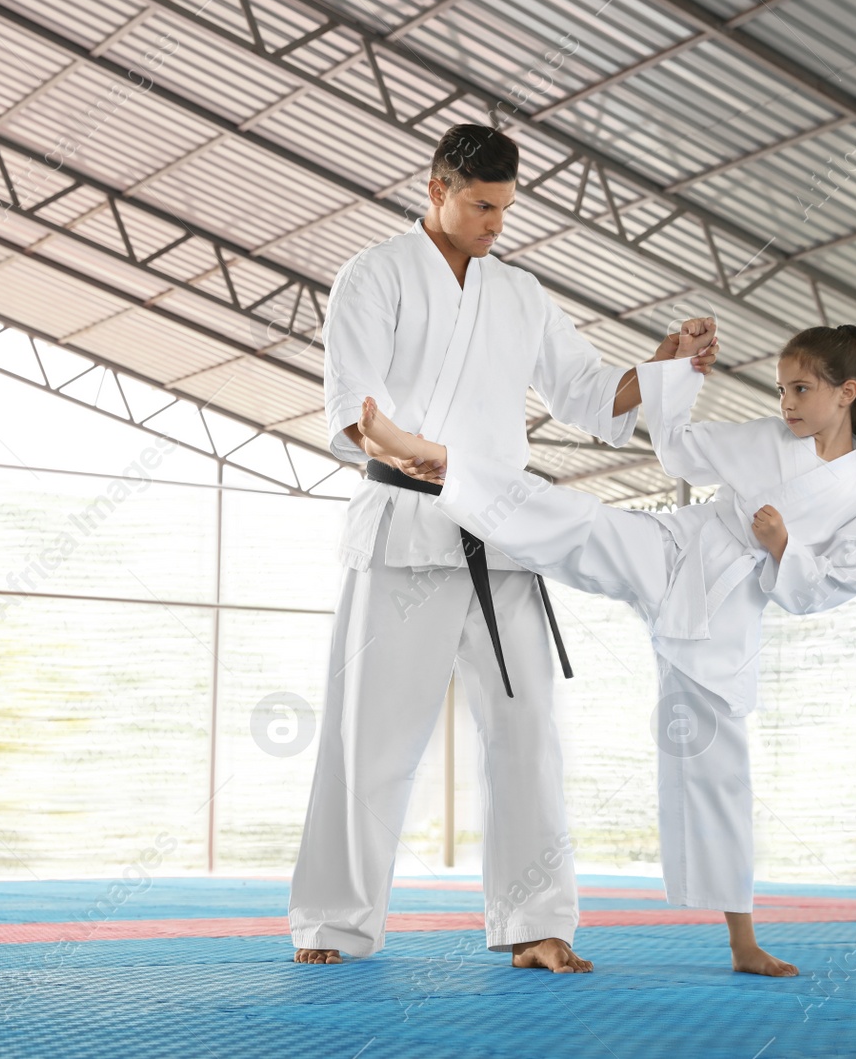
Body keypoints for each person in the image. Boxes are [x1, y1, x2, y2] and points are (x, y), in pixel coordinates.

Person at [288, 121, 721, 972]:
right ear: (436, 189)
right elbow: (355, 411)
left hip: (503, 535)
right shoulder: (372, 276)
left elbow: (593, 399)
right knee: (370, 739)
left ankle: (537, 923)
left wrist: (663, 363)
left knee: (528, 732)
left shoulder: (519, 292)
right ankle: (334, 923)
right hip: (406, 530)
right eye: (482, 206)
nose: (496, 223)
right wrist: (398, 444)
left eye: (506, 208)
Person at [350, 323, 856, 976]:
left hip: (727, 611)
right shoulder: (767, 441)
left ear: (847, 393)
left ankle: (743, 942)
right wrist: (680, 374)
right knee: (581, 521)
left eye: (801, 389)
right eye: (781, 389)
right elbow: (681, 451)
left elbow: (837, 582)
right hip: (675, 547)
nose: (786, 403)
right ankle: (440, 464)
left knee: (720, 769)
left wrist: (785, 548)